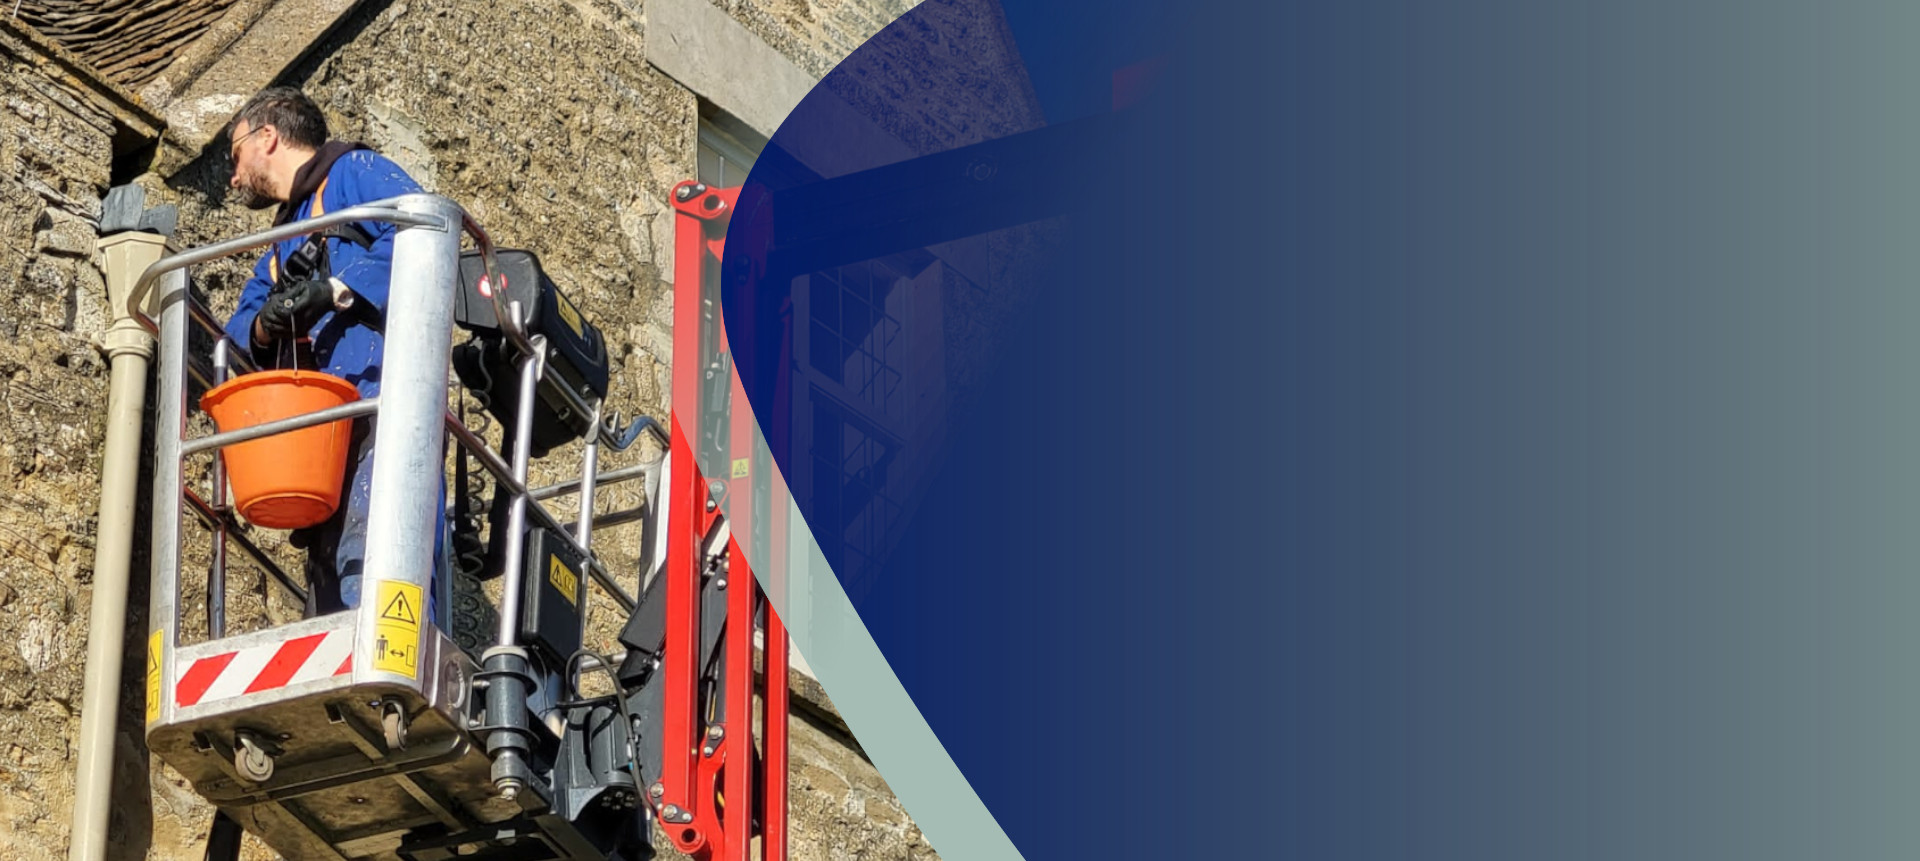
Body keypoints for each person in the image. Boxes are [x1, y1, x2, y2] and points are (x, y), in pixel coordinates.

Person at [222, 87, 446, 623]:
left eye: (235, 156)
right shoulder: (285, 239)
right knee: (328, 572)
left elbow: (425, 233)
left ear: (267, 136)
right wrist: (263, 324)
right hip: (318, 430)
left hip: (379, 397)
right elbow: (238, 329)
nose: (232, 177)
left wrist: (337, 289)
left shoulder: (353, 173)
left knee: (374, 550)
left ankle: (388, 658)